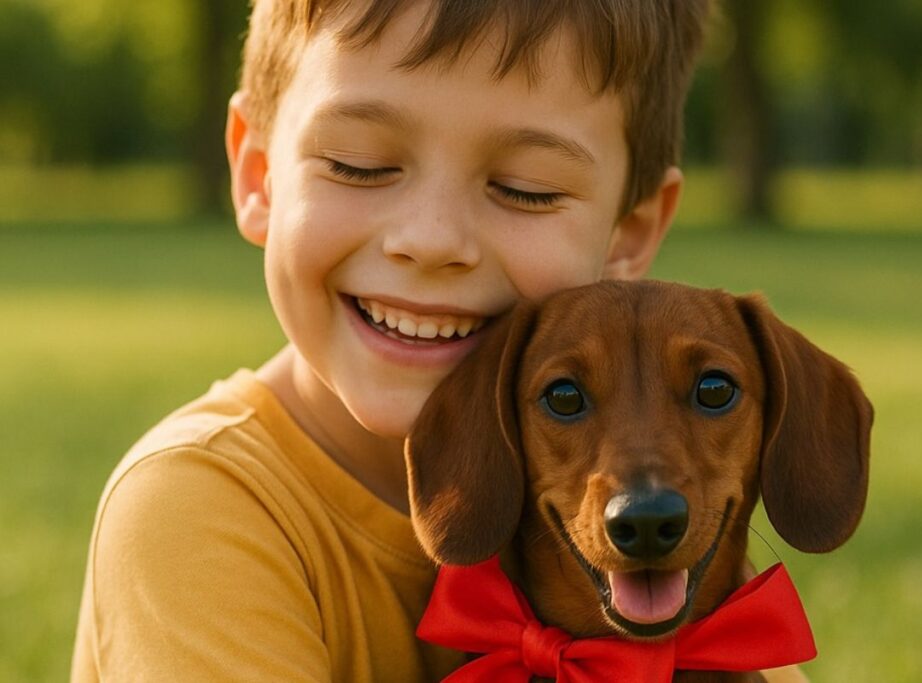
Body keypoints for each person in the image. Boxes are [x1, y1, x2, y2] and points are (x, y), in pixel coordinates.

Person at [72, 0, 805, 680]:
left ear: (630, 229)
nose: (431, 240)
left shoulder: (651, 514)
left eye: (525, 186)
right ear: (258, 174)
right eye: (359, 164)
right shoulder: (192, 510)